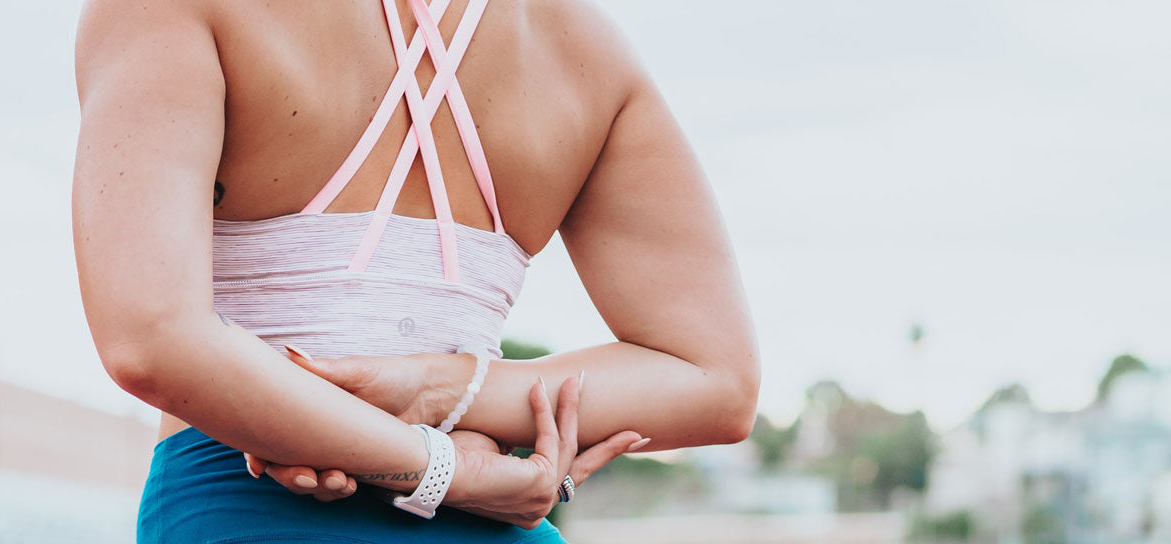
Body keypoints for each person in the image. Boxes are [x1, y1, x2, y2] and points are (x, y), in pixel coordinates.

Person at [71, 0, 760, 541]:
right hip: (491, 522)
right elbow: (710, 379)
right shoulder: (585, 49)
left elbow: (151, 338)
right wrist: (450, 441)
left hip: (248, 509)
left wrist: (438, 412)